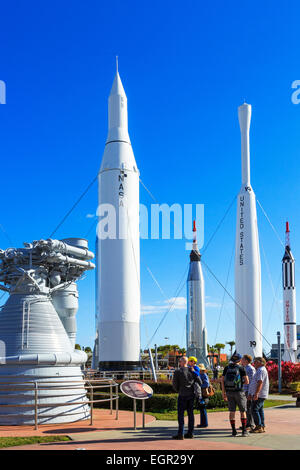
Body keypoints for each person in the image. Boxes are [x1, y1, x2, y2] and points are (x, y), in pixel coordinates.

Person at [172, 356, 202, 440]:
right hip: (191, 395)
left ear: (181, 362)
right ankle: (190, 433)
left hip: (182, 394)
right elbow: (200, 382)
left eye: (180, 361)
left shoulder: (178, 371)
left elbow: (174, 384)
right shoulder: (192, 371)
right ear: (187, 362)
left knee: (181, 415)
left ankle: (180, 434)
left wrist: (179, 390)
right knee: (190, 414)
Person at [221, 353, 249, 437]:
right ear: (240, 360)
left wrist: (224, 393)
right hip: (239, 392)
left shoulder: (226, 368)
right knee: (242, 411)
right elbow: (247, 381)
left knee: (232, 411)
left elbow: (222, 380)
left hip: (229, 392)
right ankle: (244, 431)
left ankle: (233, 431)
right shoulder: (241, 368)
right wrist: (240, 383)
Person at [248, 357, 269, 433]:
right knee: (259, 410)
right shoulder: (260, 370)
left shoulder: (261, 370)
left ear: (261, 362)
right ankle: (262, 426)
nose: (254, 363)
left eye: (256, 362)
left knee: (254, 409)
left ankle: (259, 426)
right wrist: (251, 393)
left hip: (259, 394)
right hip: (259, 394)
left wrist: (256, 393)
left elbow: (260, 382)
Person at [241, 354, 255, 430]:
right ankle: (246, 423)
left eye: (242, 359)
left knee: (249, 408)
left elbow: (252, 381)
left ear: (246, 360)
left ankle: (250, 424)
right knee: (246, 408)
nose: (241, 360)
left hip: (248, 391)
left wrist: (250, 392)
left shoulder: (250, 369)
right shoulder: (244, 368)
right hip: (244, 390)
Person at [197, 363, 210, 428]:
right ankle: (203, 423)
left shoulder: (203, 375)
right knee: (202, 408)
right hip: (201, 393)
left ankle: (204, 423)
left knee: (203, 408)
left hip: (203, 393)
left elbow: (207, 384)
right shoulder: (201, 374)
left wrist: (199, 386)